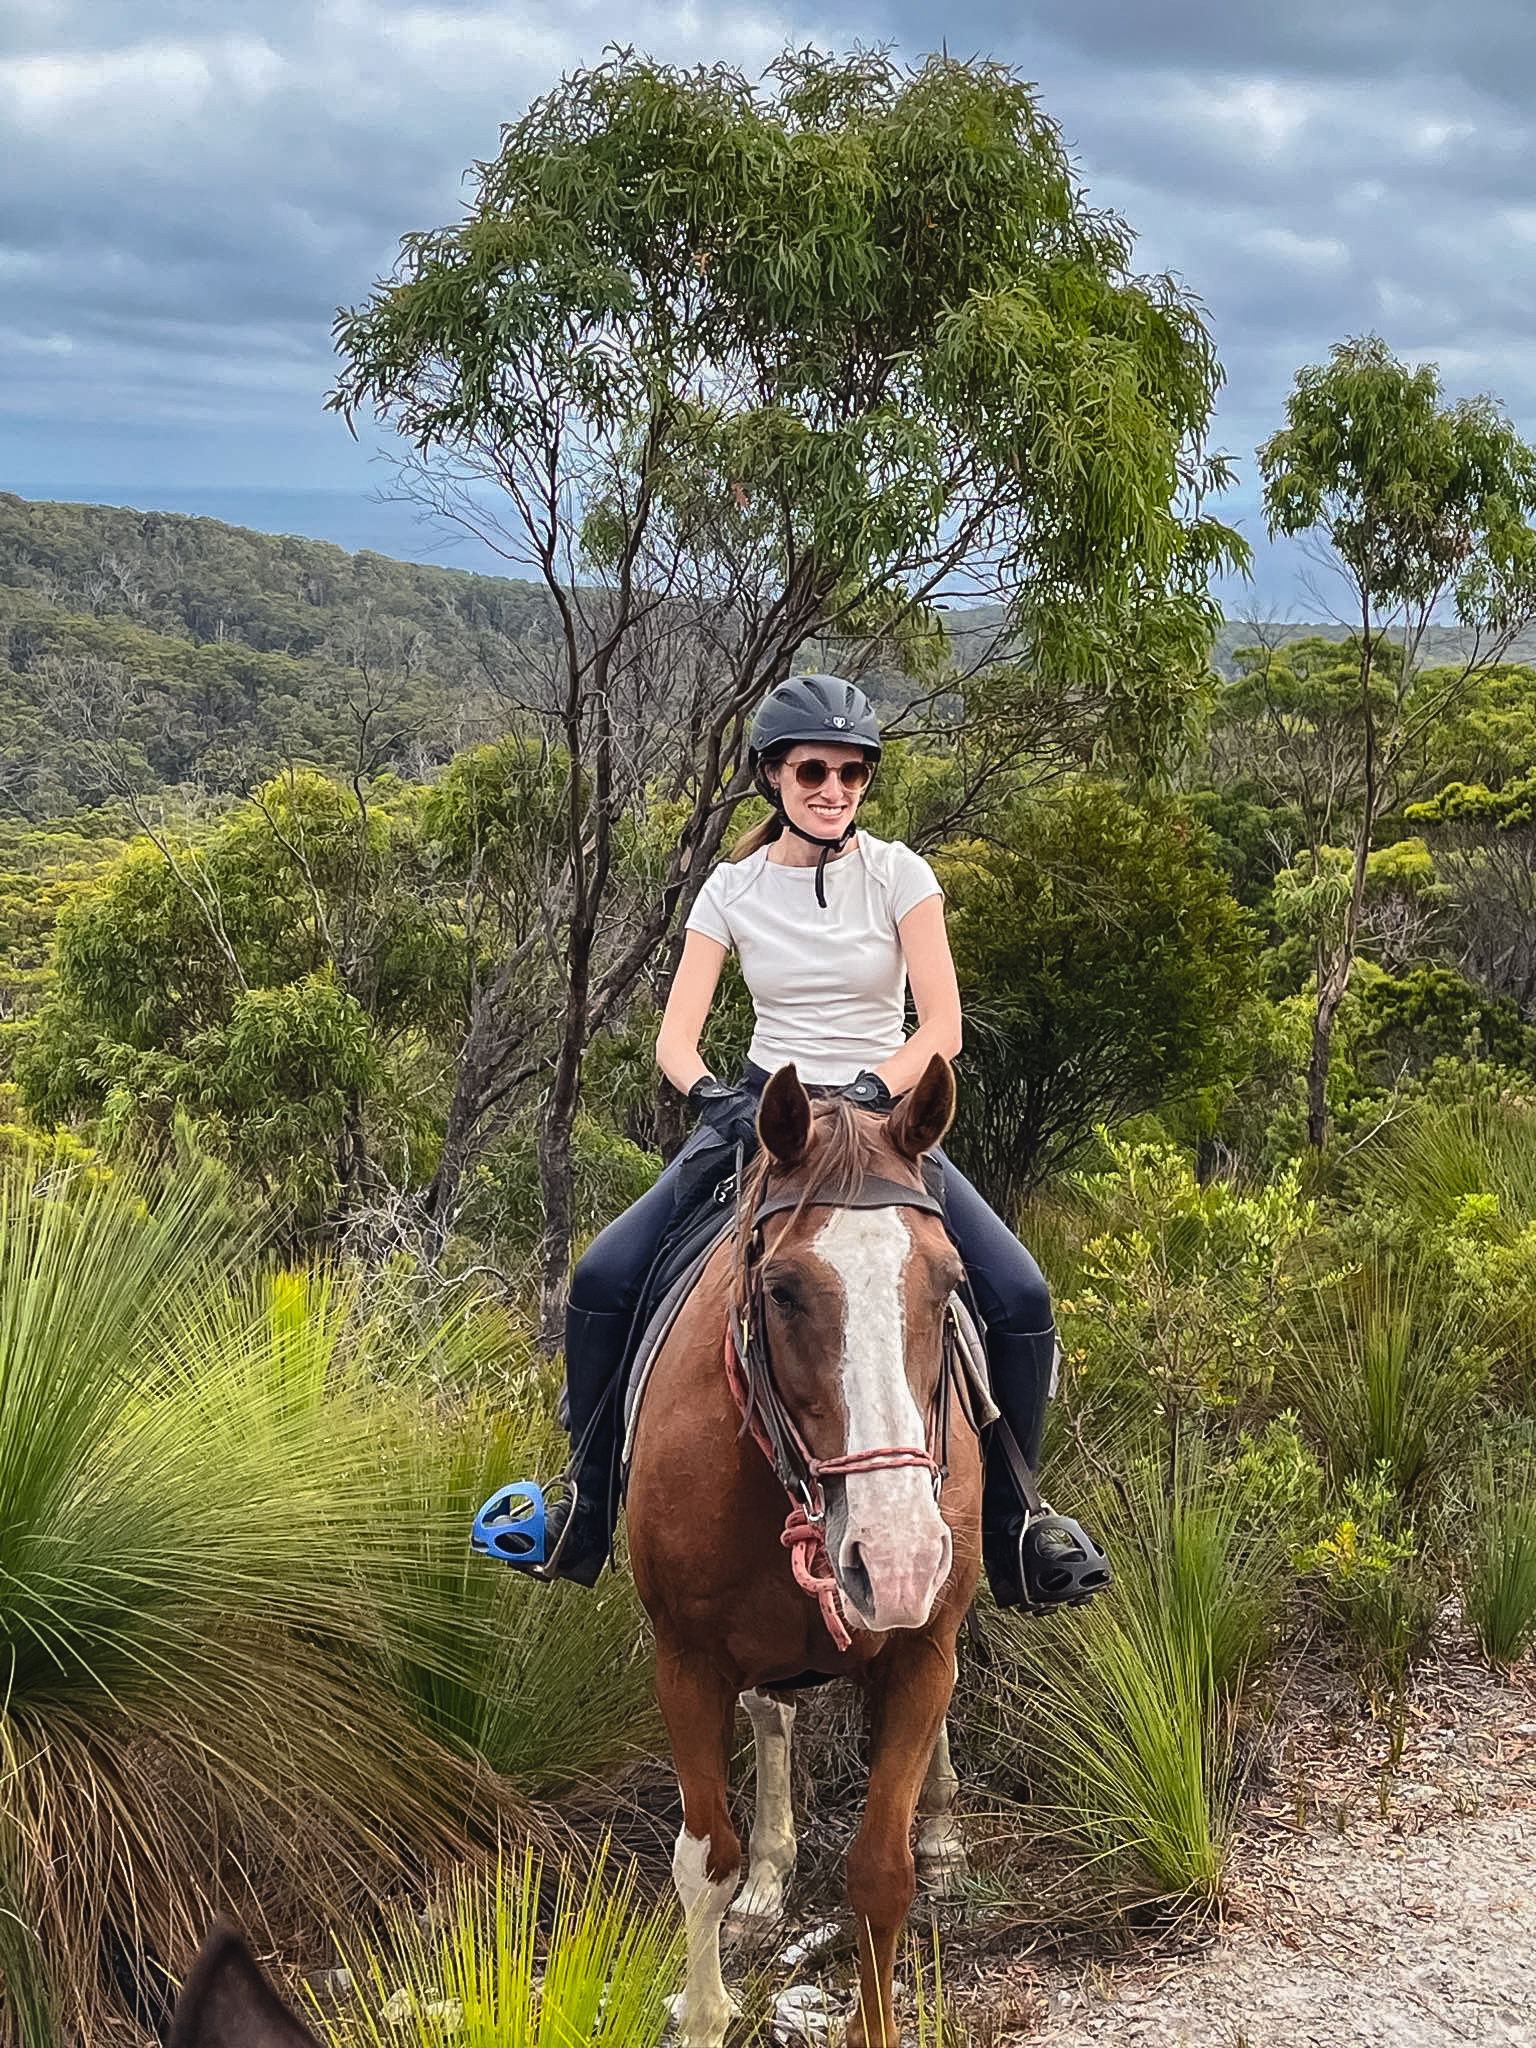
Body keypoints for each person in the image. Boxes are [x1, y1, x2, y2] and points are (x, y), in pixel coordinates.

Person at [489, 674, 1108, 1610]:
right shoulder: (731, 889)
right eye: (815, 770)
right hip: (765, 1117)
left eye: (853, 773)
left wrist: (874, 1090)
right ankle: (584, 1504)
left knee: (1020, 1293)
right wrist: (712, 1097)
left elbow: (941, 1025)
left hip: (882, 1125)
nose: (835, 789)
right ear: (772, 776)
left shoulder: (901, 875)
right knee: (604, 1275)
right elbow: (674, 1039)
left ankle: (1019, 1526)